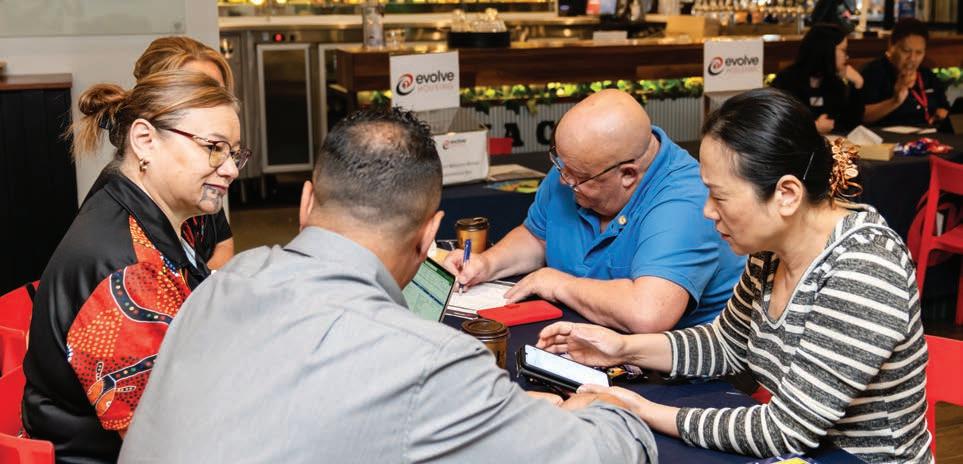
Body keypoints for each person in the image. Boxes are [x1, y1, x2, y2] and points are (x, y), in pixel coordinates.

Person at [117, 108, 657, 464]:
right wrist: (599, 407)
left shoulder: (224, 283)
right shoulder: (429, 361)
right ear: (427, 237)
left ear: (306, 202)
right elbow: (605, 454)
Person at [537, 88, 932, 463]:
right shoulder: (770, 250)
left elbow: (783, 431)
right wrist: (622, 349)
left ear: (787, 194)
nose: (707, 211)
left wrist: (640, 409)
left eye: (719, 196)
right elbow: (725, 344)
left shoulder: (864, 269)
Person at [22, 70, 250, 463]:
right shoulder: (126, 271)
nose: (230, 168)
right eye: (214, 148)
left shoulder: (147, 209)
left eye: (234, 153)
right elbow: (161, 445)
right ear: (145, 140)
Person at [444, 89, 744, 333]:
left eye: (577, 176)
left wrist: (558, 284)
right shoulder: (577, 167)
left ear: (628, 174)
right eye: (560, 164)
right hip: (585, 334)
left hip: (678, 367)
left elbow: (648, 314)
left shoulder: (685, 201)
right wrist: (487, 264)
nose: (563, 180)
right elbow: (537, 237)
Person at [84, 36, 237, 269]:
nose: (231, 170)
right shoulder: (121, 245)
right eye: (198, 93)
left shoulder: (198, 179)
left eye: (217, 93)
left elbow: (223, 243)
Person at [772, 23, 865, 134]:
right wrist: (813, 127)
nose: (847, 56)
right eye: (843, 50)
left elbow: (851, 126)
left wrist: (858, 85)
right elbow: (777, 124)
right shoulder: (786, 81)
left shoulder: (835, 83)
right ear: (826, 50)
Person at [861, 18, 950, 127]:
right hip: (886, 135)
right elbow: (861, 116)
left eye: (919, 53)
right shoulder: (873, 72)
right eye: (906, 51)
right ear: (891, 46)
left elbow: (945, 107)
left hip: (928, 133)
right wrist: (895, 101)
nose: (912, 58)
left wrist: (942, 113)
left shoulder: (927, 75)